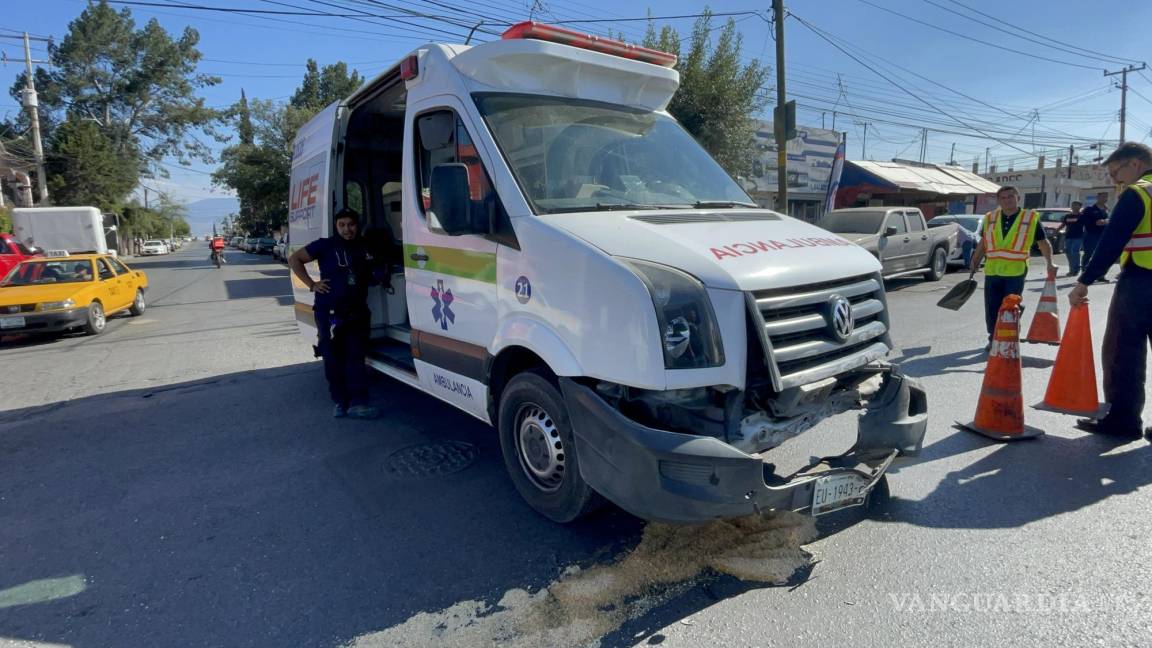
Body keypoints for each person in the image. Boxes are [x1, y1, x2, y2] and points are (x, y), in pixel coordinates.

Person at [1068, 142, 1152, 441]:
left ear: (1136, 164)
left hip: (1143, 283)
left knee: (1123, 350)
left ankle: (1123, 421)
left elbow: (1111, 242)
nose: (1117, 181)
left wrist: (1085, 280)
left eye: (1117, 172)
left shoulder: (1139, 192)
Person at [288, 208, 380, 419]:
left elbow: (373, 273)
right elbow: (295, 259)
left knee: (356, 357)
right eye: (342, 225)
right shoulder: (325, 245)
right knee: (332, 358)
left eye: (351, 224)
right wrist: (312, 285)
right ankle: (340, 402)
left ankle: (358, 403)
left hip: (357, 312)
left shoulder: (365, 247)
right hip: (329, 313)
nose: (347, 229)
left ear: (357, 225)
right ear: (336, 226)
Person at [968, 186, 1057, 350]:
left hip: (1016, 271)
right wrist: (974, 261)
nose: (1007, 200)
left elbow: (1043, 242)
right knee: (992, 306)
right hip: (993, 270)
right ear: (999, 200)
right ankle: (993, 337)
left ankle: (1009, 333)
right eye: (1003, 198)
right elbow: (984, 243)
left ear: (1018, 198)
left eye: (1011, 196)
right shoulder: (990, 218)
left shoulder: (1029, 218)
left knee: (1009, 305)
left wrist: (1050, 263)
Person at [1081, 191, 1110, 281]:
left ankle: (1100, 275)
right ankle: (1085, 273)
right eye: (1103, 197)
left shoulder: (1106, 209)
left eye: (1106, 197)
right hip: (1091, 234)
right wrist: (1095, 223)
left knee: (1102, 255)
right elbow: (1083, 221)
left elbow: (1110, 219)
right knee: (1088, 254)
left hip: (1103, 235)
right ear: (1098, 197)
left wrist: (1106, 221)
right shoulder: (1090, 209)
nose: (1105, 199)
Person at [1058, 201, 1086, 276]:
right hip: (1068, 237)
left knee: (1075, 252)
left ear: (1080, 207)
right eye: (1073, 205)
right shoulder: (1067, 216)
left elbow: (1087, 226)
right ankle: (1072, 269)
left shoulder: (1082, 216)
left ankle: (1076, 270)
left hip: (1078, 237)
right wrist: (1056, 231)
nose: (1074, 206)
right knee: (1068, 253)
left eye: (1076, 205)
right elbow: (1063, 224)